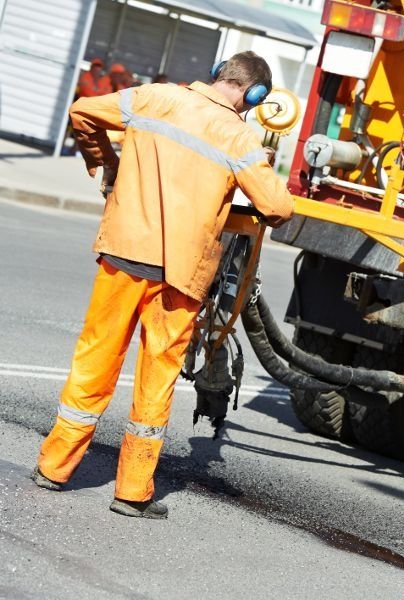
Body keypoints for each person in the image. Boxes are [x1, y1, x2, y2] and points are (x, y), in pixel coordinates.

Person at [32, 51, 293, 519]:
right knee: (157, 378)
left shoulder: (152, 98)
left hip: (122, 254)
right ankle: (132, 492)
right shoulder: (237, 134)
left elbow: (82, 112)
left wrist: (106, 163)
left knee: (94, 358)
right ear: (253, 95)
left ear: (219, 74)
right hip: (179, 275)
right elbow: (277, 208)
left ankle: (54, 466)